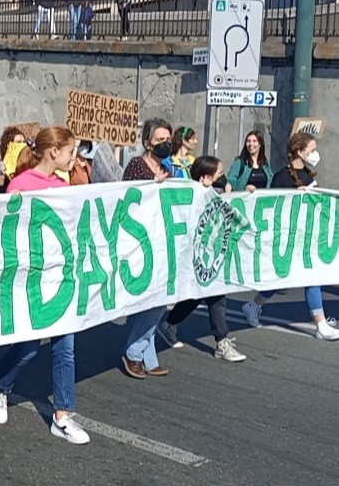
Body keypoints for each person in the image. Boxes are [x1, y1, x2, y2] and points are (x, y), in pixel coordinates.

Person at [0, 125, 91, 445]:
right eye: (71, 152)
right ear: (53, 152)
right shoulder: (21, 183)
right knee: (29, 345)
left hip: (60, 273)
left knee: (65, 346)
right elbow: (9, 229)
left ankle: (62, 416)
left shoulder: (64, 182)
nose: (75, 157)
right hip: (30, 275)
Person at [240, 132, 339, 340]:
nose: (315, 154)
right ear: (300, 152)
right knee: (294, 278)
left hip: (306, 236)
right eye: (312, 150)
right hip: (287, 237)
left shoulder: (308, 174)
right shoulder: (282, 176)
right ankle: (319, 324)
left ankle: (254, 305)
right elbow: (275, 207)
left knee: (310, 276)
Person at [156, 156, 247, 362]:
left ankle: (170, 324)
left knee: (198, 294)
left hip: (207, 252)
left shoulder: (213, 194)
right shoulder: (192, 195)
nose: (223, 177)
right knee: (213, 294)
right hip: (192, 253)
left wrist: (246, 195)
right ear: (206, 178)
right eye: (219, 173)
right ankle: (221, 341)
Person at [121, 117, 172, 379]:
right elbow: (129, 197)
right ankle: (133, 352)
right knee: (150, 301)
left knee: (159, 300)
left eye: (167, 140)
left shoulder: (168, 169)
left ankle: (147, 355)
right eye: (159, 140)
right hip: (140, 243)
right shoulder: (137, 165)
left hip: (162, 242)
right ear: (147, 143)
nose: (165, 144)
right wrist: (152, 185)